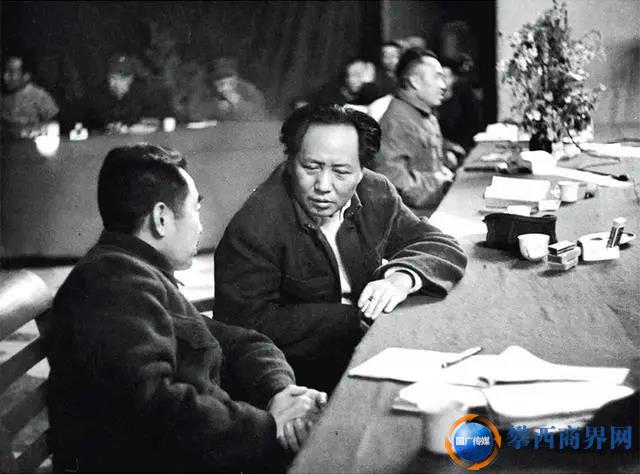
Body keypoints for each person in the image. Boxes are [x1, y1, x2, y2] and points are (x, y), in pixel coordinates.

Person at [46, 144, 326, 472]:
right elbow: (154, 409)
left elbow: (241, 342)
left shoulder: (133, 274)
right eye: (196, 209)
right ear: (161, 219)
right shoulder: (111, 285)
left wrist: (279, 391)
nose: (201, 226)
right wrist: (268, 426)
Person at [214, 104, 467, 393]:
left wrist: (401, 278)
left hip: (366, 347)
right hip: (298, 376)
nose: (323, 185)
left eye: (341, 171)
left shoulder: (375, 190)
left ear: (362, 171)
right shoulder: (254, 225)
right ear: (291, 161)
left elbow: (440, 244)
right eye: (311, 167)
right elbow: (240, 328)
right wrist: (350, 320)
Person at [369, 48, 461, 211]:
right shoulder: (397, 119)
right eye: (437, 77)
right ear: (415, 82)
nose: (443, 86)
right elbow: (395, 182)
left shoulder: (424, 114)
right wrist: (442, 183)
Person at [83, 54, 173, 131]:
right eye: (114, 78)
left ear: (131, 79)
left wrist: (142, 126)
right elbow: (88, 127)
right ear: (108, 78)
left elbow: (162, 119)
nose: (118, 83)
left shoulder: (143, 93)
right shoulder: (97, 97)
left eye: (123, 78)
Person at [189, 57, 268, 121]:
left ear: (236, 79)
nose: (226, 87)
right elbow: (192, 113)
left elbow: (261, 116)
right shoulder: (206, 90)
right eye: (221, 83)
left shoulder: (247, 89)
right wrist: (215, 107)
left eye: (230, 82)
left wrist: (238, 103)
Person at [1, 56, 59, 140]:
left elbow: (55, 125)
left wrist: (28, 131)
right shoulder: (2, 97)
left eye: (11, 73)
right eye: (4, 72)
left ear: (26, 76)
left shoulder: (39, 96)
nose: (5, 77)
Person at [438, 54, 483, 153]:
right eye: (438, 77)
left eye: (445, 77)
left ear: (453, 78)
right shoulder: (432, 97)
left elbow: (474, 122)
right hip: (444, 148)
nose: (442, 81)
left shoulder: (464, 93)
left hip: (466, 146)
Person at [311, 59, 380, 107]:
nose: (360, 79)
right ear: (346, 78)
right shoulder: (328, 96)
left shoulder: (370, 96)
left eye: (363, 75)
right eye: (355, 75)